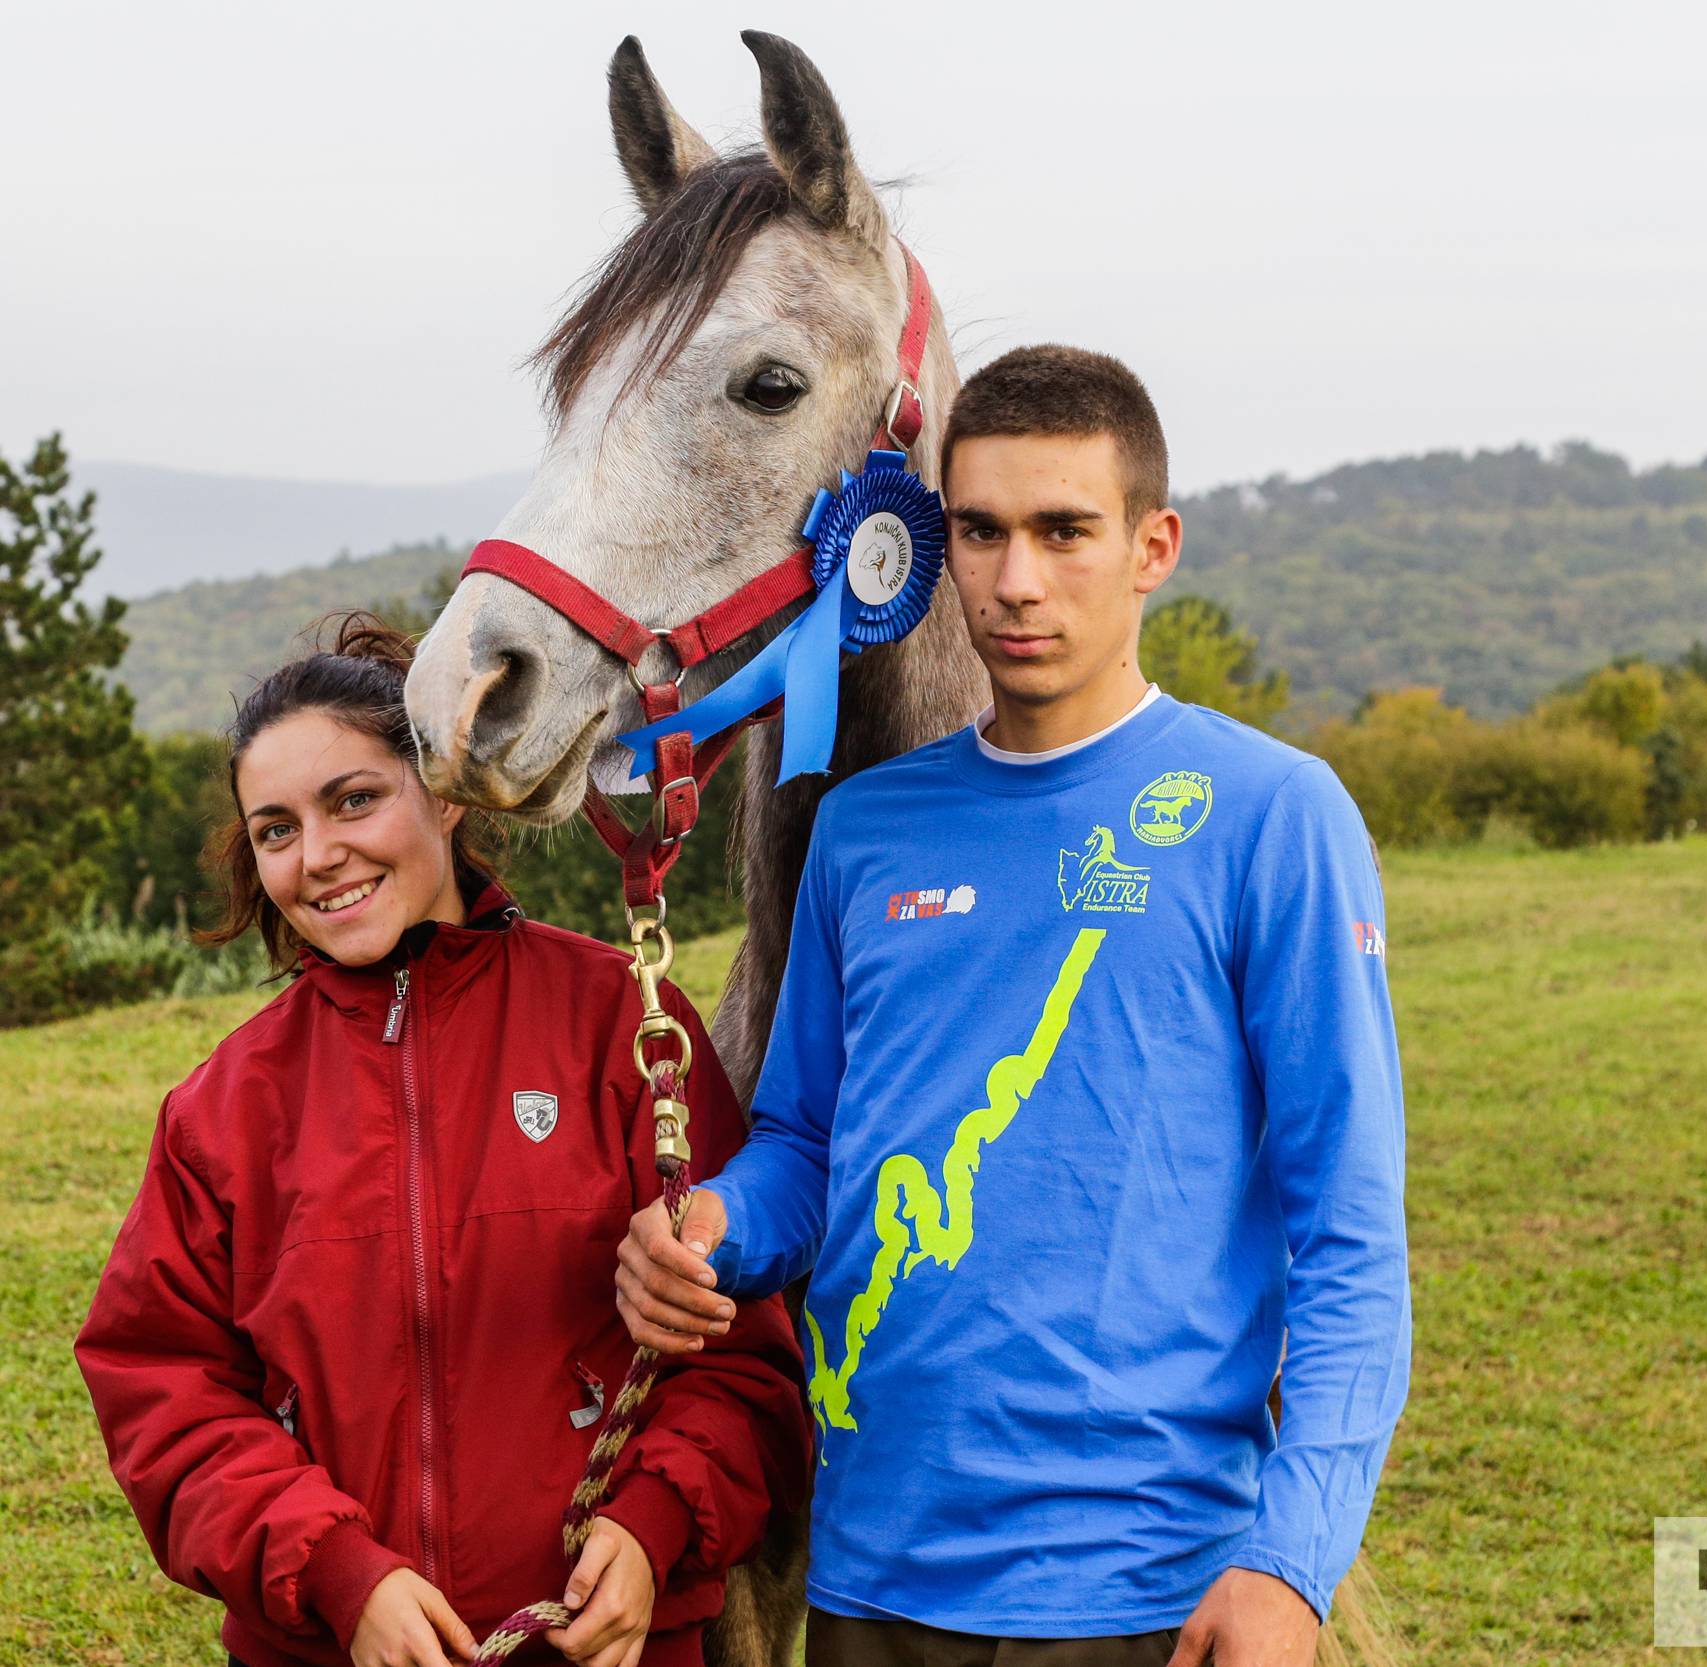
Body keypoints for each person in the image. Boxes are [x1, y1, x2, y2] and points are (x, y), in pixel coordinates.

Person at [615, 346, 1414, 1666]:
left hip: (1147, 1586)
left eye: (1064, 530)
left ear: (1153, 545)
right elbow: (809, 1147)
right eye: (979, 532)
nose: (1017, 580)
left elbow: (1350, 1232)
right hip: (871, 1577)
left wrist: (1291, 1557)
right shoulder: (867, 832)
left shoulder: (1274, 814)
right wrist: (714, 1224)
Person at [74, 616, 810, 1667]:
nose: (318, 856)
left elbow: (742, 1359)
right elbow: (164, 1395)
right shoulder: (225, 1108)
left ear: (448, 790)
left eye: (354, 798)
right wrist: (337, 1571)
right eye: (275, 829)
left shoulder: (621, 1026)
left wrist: (651, 1528)